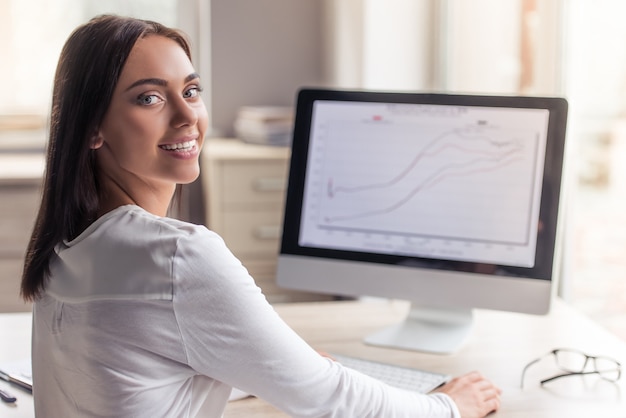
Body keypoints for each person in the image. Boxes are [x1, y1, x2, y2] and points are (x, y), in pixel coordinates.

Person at [21, 14, 501, 418]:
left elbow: (130, 374)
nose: (187, 117)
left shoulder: (70, 247)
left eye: (191, 90)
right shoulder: (177, 256)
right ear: (92, 129)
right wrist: (450, 406)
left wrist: (266, 366)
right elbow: (331, 400)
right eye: (149, 97)